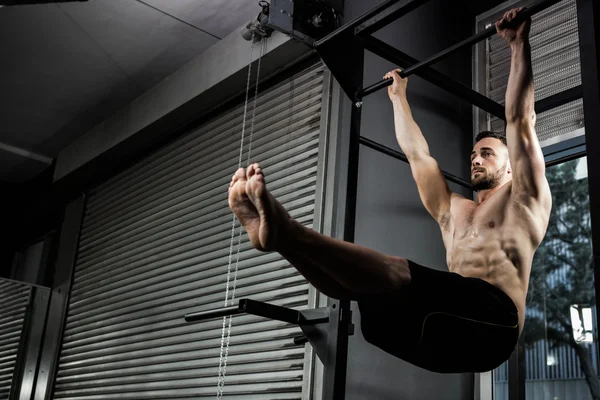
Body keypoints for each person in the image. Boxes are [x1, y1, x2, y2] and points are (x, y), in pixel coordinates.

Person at [228, 7, 552, 373]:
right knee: (362, 290)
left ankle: (288, 230)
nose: (476, 159)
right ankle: (283, 242)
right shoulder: (453, 210)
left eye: (487, 154)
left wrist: (518, 45)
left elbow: (520, 121)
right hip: (439, 331)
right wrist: (399, 98)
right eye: (474, 154)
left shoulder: (525, 201)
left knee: (397, 271)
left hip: (495, 328)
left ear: (511, 166)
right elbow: (418, 156)